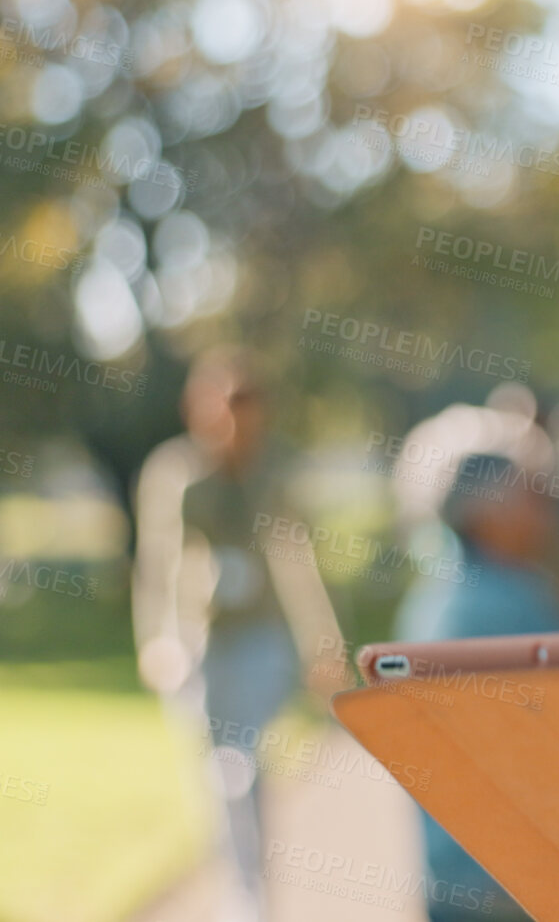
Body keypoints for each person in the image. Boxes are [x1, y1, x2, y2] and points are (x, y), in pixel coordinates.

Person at [131, 345, 344, 922]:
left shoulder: (275, 472)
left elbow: (298, 561)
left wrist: (322, 644)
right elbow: (159, 563)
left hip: (261, 639)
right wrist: (158, 640)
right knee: (219, 772)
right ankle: (239, 889)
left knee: (241, 761)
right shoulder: (176, 475)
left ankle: (250, 898)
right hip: (202, 642)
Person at [393, 451, 559, 922]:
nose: (541, 510)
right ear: (485, 513)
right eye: (526, 496)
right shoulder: (516, 601)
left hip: (449, 867)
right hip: (512, 880)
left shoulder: (429, 600)